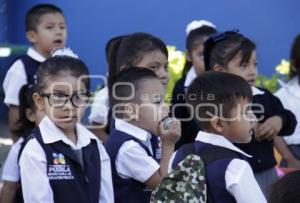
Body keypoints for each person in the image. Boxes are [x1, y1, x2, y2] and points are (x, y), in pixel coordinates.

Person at [203, 30, 297, 196]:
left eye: (255, 64)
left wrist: (278, 121)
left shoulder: (263, 96)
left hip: (267, 172)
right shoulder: (215, 102)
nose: (252, 71)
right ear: (219, 70)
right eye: (244, 65)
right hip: (232, 173)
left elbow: (289, 119)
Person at [19, 51, 113, 203]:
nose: (69, 106)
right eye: (58, 96)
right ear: (40, 101)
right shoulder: (36, 149)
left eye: (78, 97)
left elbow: (106, 198)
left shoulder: (96, 146)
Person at [170, 71, 266, 202]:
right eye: (245, 112)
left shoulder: (177, 155)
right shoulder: (235, 166)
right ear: (218, 123)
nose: (253, 118)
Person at [105, 67, 181, 202]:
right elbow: (166, 189)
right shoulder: (128, 148)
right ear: (131, 110)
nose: (166, 106)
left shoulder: (147, 133)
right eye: (157, 102)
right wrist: (169, 144)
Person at [3, 3, 67, 142]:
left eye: (62, 27)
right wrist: (19, 144)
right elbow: (15, 110)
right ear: (32, 36)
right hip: (32, 141)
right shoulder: (21, 67)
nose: (58, 32)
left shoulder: (66, 66)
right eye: (50, 27)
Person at [89, 32, 169, 142]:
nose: (164, 74)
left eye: (166, 67)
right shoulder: (127, 142)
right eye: (154, 67)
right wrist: (169, 144)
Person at [171, 20, 217, 149]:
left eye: (213, 54)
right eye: (202, 55)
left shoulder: (231, 82)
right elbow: (178, 126)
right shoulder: (181, 88)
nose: (209, 61)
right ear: (189, 56)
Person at [0, 84, 44, 203]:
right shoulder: (21, 146)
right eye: (45, 111)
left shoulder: (78, 143)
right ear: (31, 115)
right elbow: (9, 188)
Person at [274, 34, 300, 168]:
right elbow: (276, 134)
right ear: (295, 65)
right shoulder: (282, 96)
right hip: (294, 154)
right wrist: (289, 158)